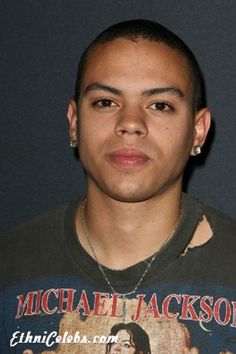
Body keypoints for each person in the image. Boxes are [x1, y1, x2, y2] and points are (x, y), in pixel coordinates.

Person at [0, 19, 235, 354]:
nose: (130, 124)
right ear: (75, 123)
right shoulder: (8, 267)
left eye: (160, 105)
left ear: (198, 131)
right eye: (105, 102)